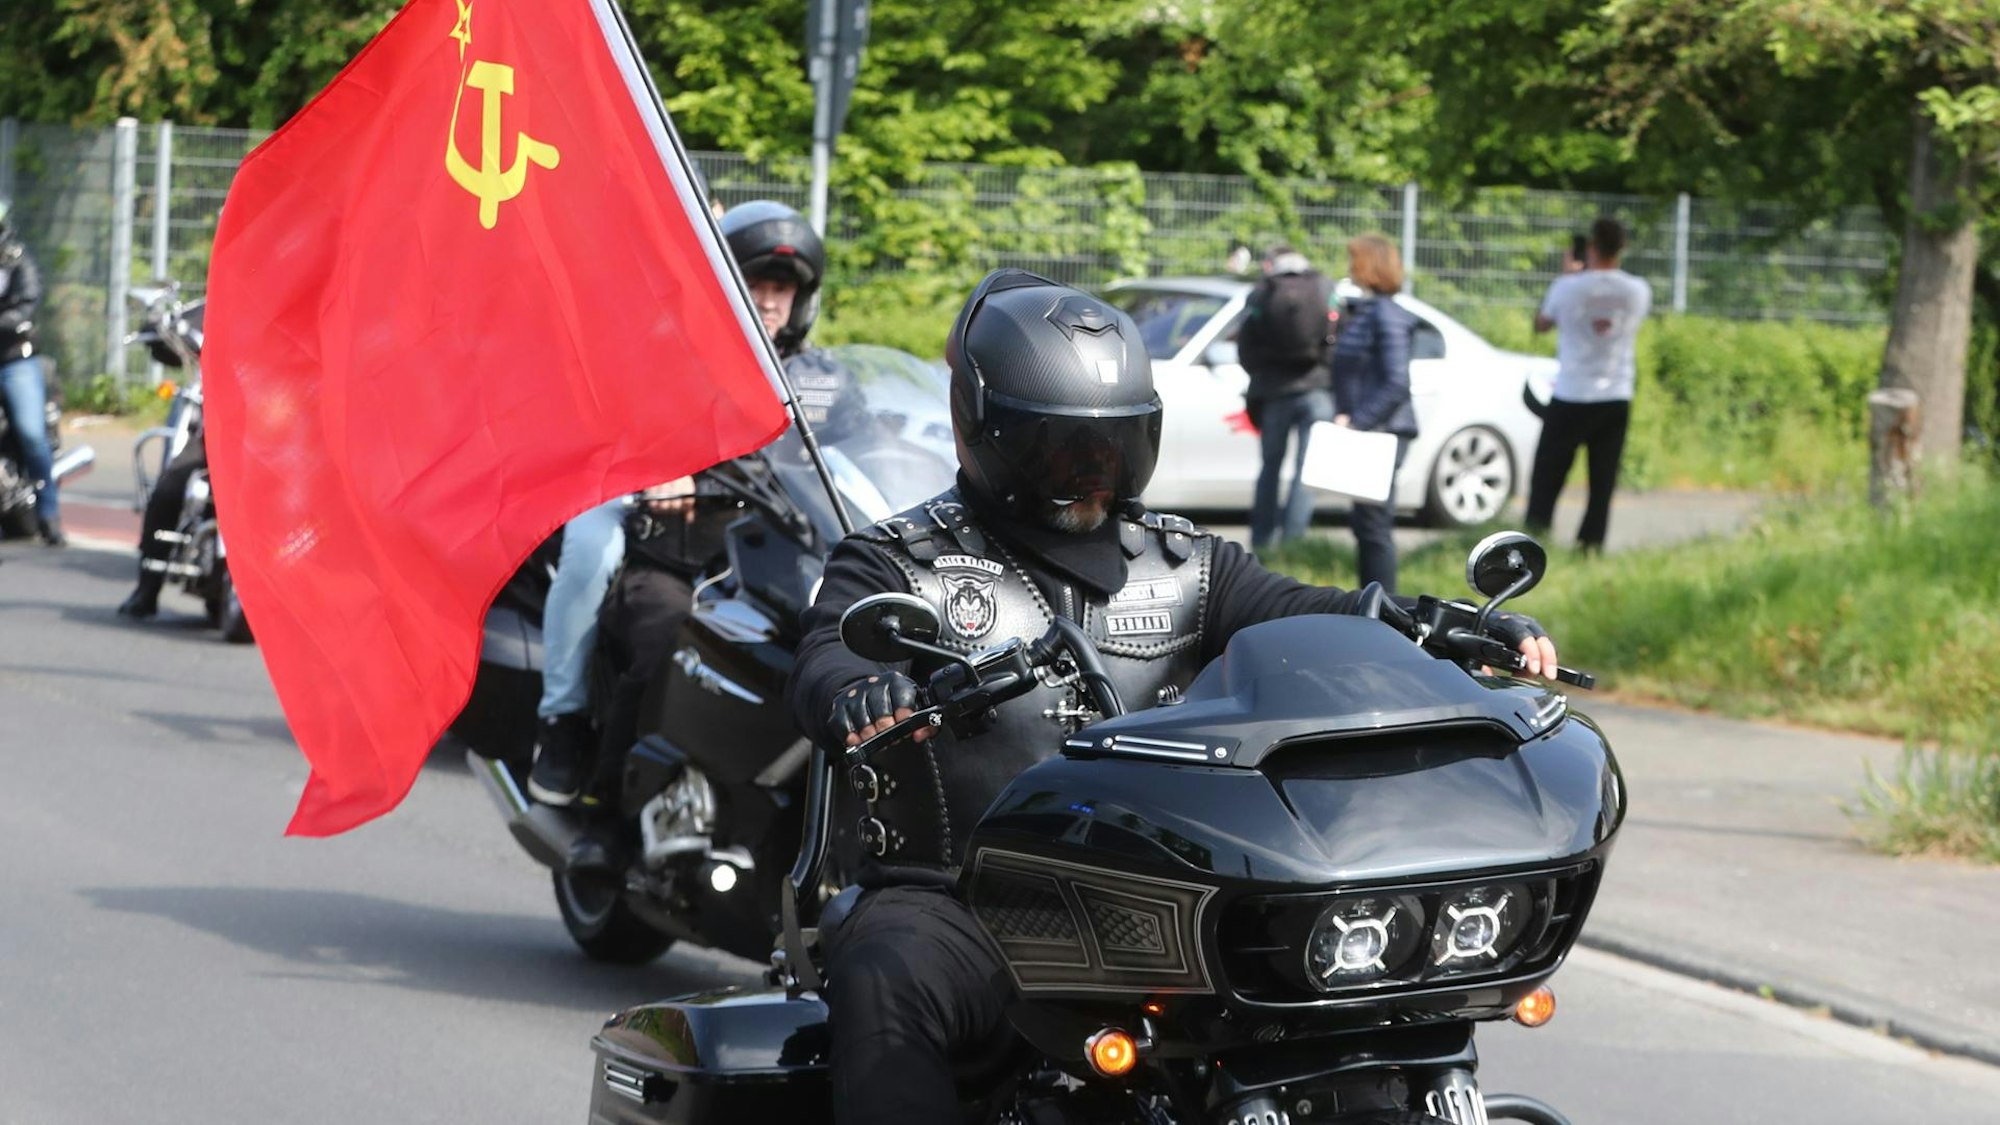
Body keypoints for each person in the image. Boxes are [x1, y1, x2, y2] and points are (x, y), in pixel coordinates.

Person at [785, 268, 1561, 1125]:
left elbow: (1316, 611)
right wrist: (863, 691)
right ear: (988, 430)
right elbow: (825, 655)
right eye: (1063, 448)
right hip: (970, 898)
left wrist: (1433, 627)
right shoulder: (899, 561)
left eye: (1112, 446)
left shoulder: (1186, 563)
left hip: (1160, 892)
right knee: (887, 972)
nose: (1092, 472)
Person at [528, 198, 832, 809]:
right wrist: (663, 473)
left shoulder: (819, 377)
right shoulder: (674, 355)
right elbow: (629, 421)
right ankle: (571, 740)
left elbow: (860, 442)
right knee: (601, 557)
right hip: (664, 542)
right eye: (757, 283)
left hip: (766, 551)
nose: (770, 300)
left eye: (782, 288)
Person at [1526, 216, 1652, 552]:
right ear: (1622, 247)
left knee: (1548, 476)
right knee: (1602, 480)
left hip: (1571, 393)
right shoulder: (1637, 289)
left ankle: (1534, 540)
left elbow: (1541, 323)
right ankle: (1590, 546)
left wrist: (1568, 276)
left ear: (1591, 247)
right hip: (1615, 393)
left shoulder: (1568, 287)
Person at [1327, 232, 1419, 593]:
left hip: (1383, 431)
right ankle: (1373, 605)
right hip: (1372, 430)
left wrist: (1357, 422)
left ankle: (1385, 612)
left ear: (1369, 265)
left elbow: (1397, 382)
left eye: (1355, 261)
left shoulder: (1387, 316)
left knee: (1374, 526)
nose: (1350, 268)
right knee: (1365, 524)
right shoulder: (1368, 311)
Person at [1237, 243, 1336, 552]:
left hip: (1274, 392)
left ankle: (1262, 541)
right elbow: (1339, 335)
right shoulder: (1323, 286)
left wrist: (1261, 373)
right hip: (1317, 389)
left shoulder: (1261, 292)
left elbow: (1245, 345)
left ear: (1271, 263)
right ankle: (1294, 543)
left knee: (1270, 468)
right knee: (1306, 470)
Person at [117, 301, 208, 617]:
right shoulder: (217, 305)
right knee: (169, 489)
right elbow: (171, 335)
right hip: (213, 433)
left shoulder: (286, 306)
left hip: (269, 435)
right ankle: (147, 586)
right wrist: (157, 324)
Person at [0, 198, 65, 546]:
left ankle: (49, 514)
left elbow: (28, 302)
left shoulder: (19, 262)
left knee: (31, 433)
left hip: (14, 358)